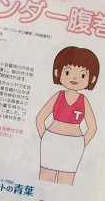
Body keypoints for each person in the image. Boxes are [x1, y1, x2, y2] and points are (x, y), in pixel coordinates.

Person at [35, 46, 99, 186]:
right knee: (46, 177)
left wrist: (80, 143)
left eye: (83, 75)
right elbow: (40, 118)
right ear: (57, 72)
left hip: (74, 144)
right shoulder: (58, 96)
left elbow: (92, 127)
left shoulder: (83, 100)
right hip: (51, 140)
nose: (74, 78)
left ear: (92, 78)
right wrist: (46, 137)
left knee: (67, 179)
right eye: (68, 72)